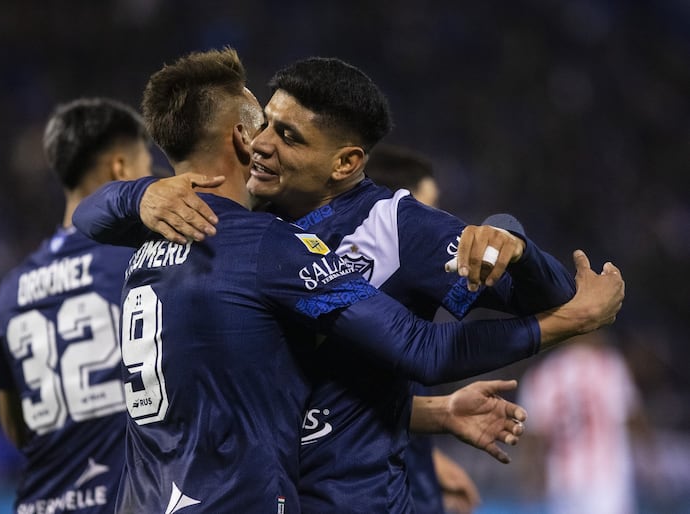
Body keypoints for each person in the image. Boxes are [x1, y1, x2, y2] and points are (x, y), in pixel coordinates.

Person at [73, 48, 624, 513]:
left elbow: (550, 296)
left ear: (345, 162)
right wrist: (140, 194)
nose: (262, 144)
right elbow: (88, 217)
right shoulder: (227, 221)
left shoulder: (395, 227)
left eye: (286, 135)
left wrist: (514, 243)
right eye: (265, 123)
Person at [0, 97, 154, 513]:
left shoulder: (14, 286)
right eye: (146, 165)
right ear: (121, 169)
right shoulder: (140, 259)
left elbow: (15, 426)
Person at [367, 142, 480, 514]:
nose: (438, 224)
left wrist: (430, 461)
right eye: (428, 210)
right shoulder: (355, 310)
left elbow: (390, 410)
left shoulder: (400, 306)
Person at [517, 330, 645, 514]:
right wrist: (652, 462)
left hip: (562, 482)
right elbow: (633, 417)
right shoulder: (609, 365)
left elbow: (532, 436)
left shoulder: (540, 375)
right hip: (607, 481)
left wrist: (530, 480)